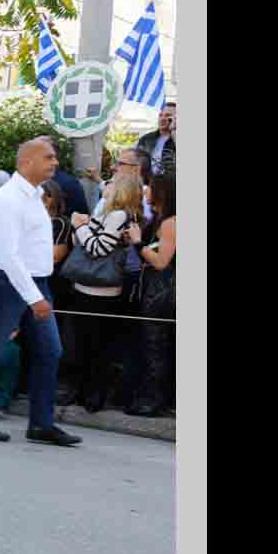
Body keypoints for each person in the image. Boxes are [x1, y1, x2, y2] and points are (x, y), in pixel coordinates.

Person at [0, 137, 80, 446]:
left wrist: (38, 292)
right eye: (48, 157)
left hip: (35, 283)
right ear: (27, 162)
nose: (55, 162)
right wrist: (35, 298)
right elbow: (9, 256)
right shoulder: (8, 199)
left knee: (50, 351)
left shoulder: (35, 195)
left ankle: (41, 424)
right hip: (9, 284)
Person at [64, 163, 145, 414]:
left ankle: (94, 393)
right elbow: (81, 242)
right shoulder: (107, 213)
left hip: (100, 291)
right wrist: (82, 227)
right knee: (84, 343)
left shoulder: (119, 215)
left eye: (110, 182)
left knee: (97, 345)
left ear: (119, 190)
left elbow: (98, 248)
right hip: (86, 286)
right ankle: (83, 390)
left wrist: (80, 226)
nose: (105, 185)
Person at [127, 167, 176, 417]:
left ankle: (155, 401)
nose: (146, 192)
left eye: (151, 188)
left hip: (162, 291)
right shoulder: (162, 220)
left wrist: (138, 242)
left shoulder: (170, 223)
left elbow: (161, 261)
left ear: (163, 193)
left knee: (156, 346)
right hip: (160, 290)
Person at [134, 100, 176, 180]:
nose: (162, 118)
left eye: (168, 116)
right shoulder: (146, 139)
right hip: (147, 181)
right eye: (161, 115)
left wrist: (174, 130)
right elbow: (136, 160)